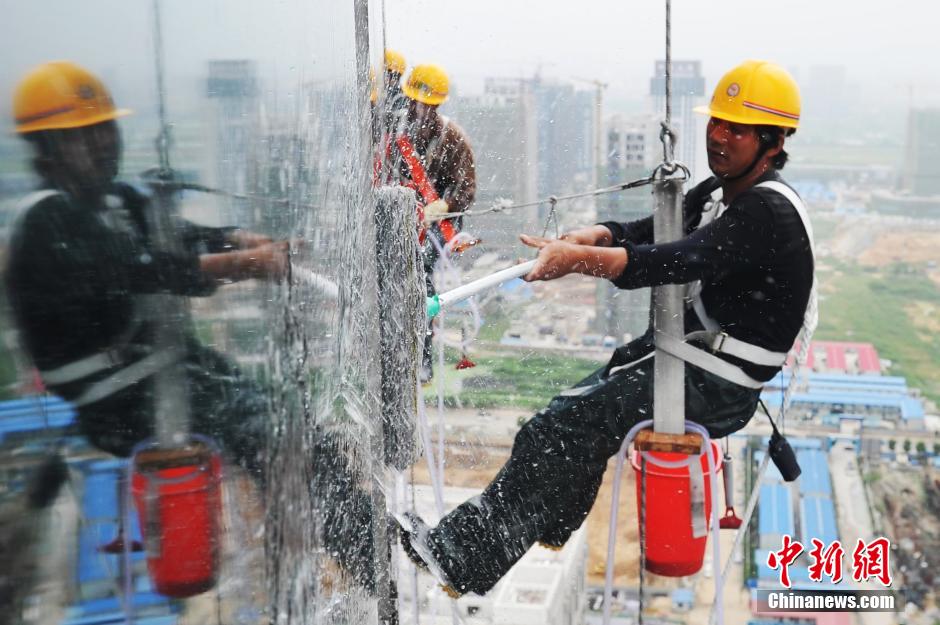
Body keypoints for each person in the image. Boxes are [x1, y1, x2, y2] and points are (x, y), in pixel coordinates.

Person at [399, 60, 815, 596]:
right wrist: (597, 233)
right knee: (556, 425)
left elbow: (672, 259)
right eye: (716, 122)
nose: (719, 136)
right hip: (698, 360)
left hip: (718, 382)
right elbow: (652, 232)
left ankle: (463, 560)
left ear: (774, 143)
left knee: (559, 431)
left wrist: (578, 259)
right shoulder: (720, 193)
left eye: (736, 129)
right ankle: (551, 522)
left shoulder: (766, 214)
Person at [379, 63, 476, 380]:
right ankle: (393, 346)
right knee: (392, 274)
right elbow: (384, 172)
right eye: (418, 102)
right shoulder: (395, 132)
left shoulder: (452, 137)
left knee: (419, 275)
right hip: (402, 216)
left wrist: (444, 205)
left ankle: (421, 356)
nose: (422, 109)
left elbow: (466, 187)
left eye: (429, 105)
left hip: (438, 223)